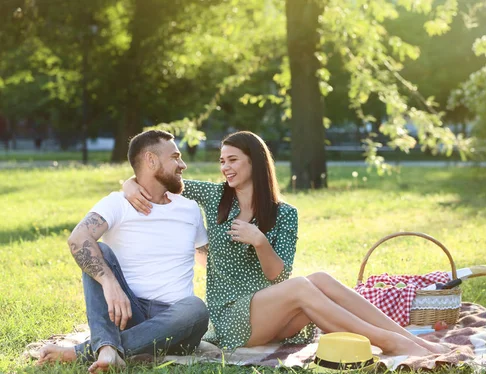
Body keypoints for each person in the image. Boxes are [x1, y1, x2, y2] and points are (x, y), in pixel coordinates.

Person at [123, 131, 449, 356]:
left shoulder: (285, 214)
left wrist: (261, 242)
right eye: (222, 161)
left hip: (271, 314)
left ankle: (407, 338)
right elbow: (160, 179)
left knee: (318, 279)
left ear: (255, 161)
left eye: (233, 160)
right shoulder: (215, 195)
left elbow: (277, 276)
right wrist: (128, 185)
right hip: (230, 317)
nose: (225, 168)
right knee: (301, 287)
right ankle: (389, 342)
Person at [38, 130, 210, 374]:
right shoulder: (117, 203)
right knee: (98, 251)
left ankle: (88, 351)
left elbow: (205, 258)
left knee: (195, 307)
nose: (182, 164)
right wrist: (109, 282)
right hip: (125, 313)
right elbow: (78, 239)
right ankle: (113, 348)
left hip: (177, 324)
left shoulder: (190, 209)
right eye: (175, 157)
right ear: (151, 160)